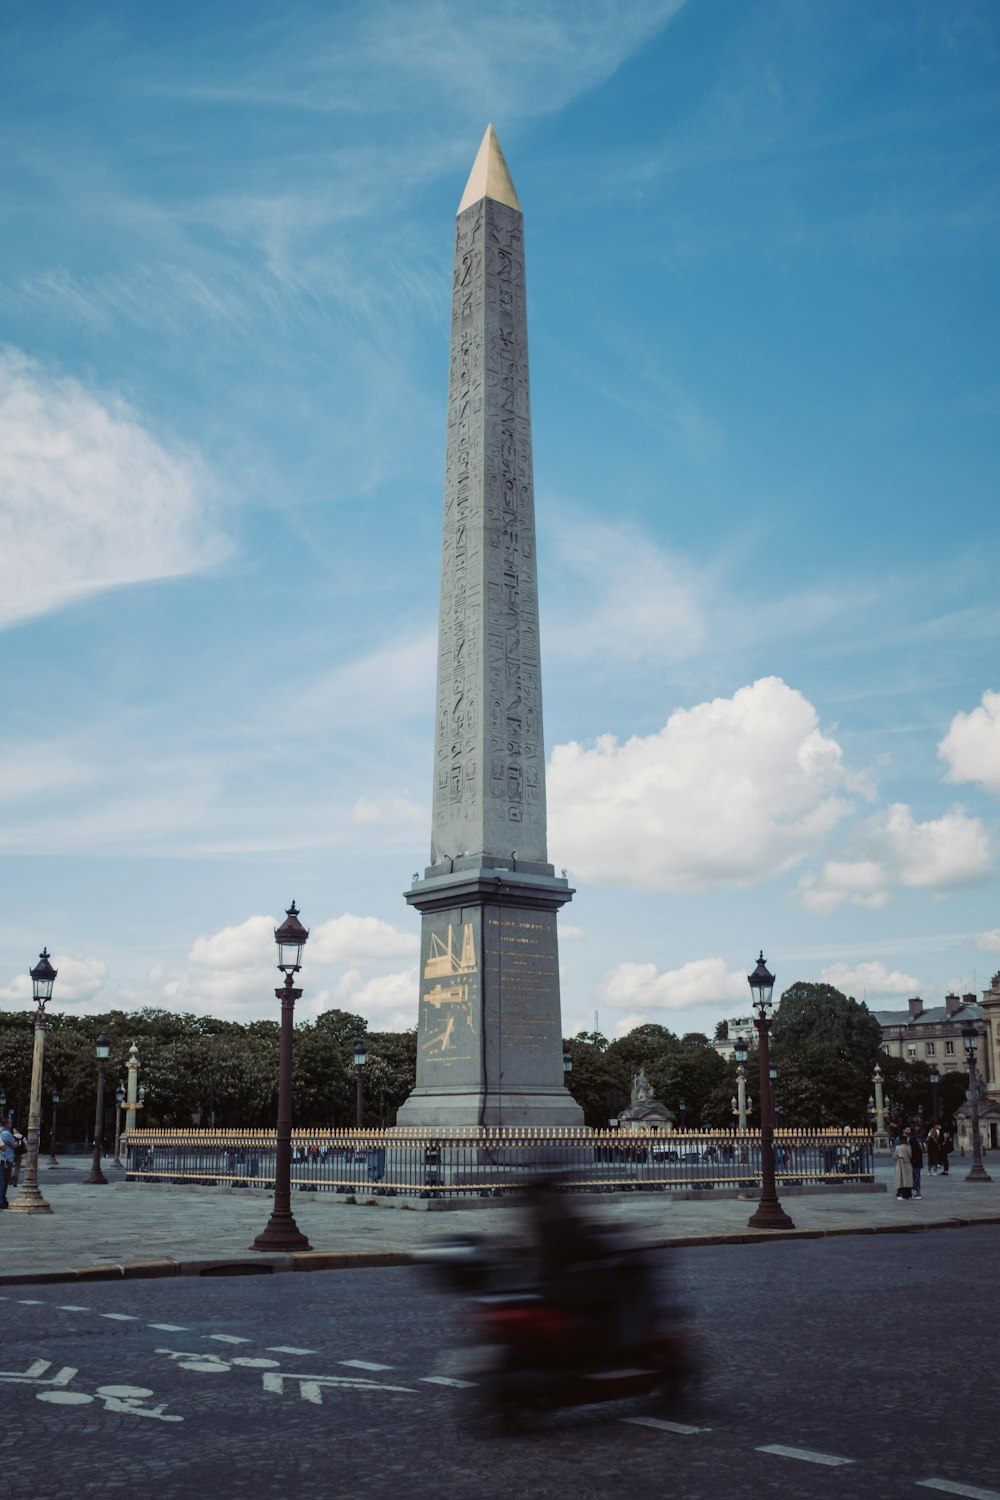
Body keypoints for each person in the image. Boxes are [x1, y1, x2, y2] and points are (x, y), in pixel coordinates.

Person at [0, 1117, 16, 1208]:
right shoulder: (6, 1133)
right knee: (4, 1181)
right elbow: (12, 1145)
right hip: (5, 1159)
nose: (11, 1124)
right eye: (10, 1123)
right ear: (5, 1124)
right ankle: (2, 1200)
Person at [893, 1134, 913, 1200]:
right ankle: (908, 1194)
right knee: (908, 1179)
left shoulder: (898, 1147)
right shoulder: (909, 1147)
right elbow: (910, 1156)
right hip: (908, 1163)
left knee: (900, 1179)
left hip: (900, 1164)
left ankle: (900, 1193)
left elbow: (894, 1157)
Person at [907, 1126, 924, 1199]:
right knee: (916, 1177)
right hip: (917, 1163)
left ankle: (918, 1192)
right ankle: (917, 1191)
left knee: (916, 1178)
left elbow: (913, 1155)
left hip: (915, 1164)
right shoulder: (917, 1147)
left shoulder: (914, 1147)